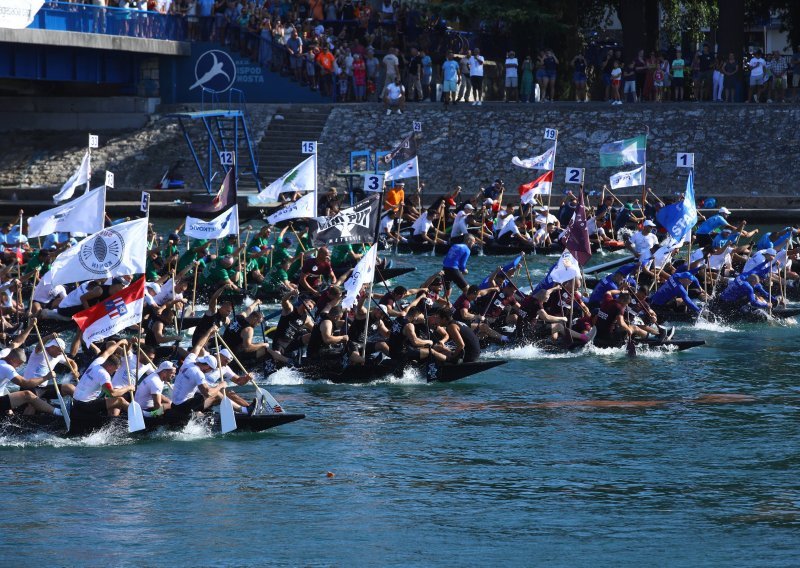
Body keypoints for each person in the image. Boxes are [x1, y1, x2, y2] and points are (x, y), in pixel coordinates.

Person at [72, 340, 131, 417]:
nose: (114, 372)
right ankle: (143, 416)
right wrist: (129, 388)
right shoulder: (104, 374)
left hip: (75, 401)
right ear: (110, 366)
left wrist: (119, 343)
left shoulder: (96, 363)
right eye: (115, 369)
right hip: (85, 405)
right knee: (120, 401)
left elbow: (108, 352)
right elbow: (112, 394)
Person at [0, 348, 62, 417]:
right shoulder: (7, 367)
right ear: (12, 360)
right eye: (19, 364)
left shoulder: (2, 356)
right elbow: (26, 384)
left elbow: (17, 342)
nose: (19, 367)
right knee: (28, 394)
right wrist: (46, 377)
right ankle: (58, 412)